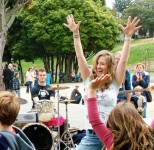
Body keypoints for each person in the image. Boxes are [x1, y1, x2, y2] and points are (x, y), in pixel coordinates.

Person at [64, 15, 141, 149]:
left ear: (109, 67)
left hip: (113, 136)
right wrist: (75, 34)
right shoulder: (88, 80)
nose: (98, 66)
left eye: (102, 64)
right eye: (97, 63)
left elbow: (123, 61)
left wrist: (128, 37)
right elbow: (80, 56)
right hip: (92, 137)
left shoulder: (115, 83)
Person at [87, 74, 154, 150]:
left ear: (112, 121)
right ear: (137, 118)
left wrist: (92, 89)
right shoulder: (148, 137)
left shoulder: (112, 141)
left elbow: (95, 121)